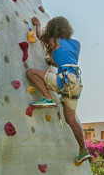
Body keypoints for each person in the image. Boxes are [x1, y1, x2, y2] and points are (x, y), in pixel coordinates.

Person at [26, 15, 90, 164]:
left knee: (31, 73)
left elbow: (40, 36)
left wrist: (37, 25)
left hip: (64, 81)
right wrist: (52, 62)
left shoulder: (54, 41)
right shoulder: (76, 44)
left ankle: (47, 98)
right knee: (71, 120)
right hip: (76, 84)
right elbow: (66, 61)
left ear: (53, 29)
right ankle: (83, 150)